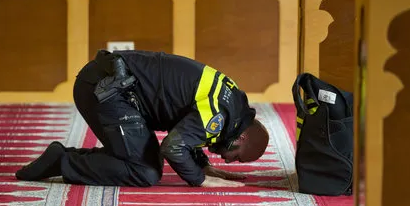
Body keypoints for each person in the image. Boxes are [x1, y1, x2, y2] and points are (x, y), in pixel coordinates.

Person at [15, 49, 269, 188]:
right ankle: (63, 161)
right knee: (143, 172)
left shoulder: (232, 102)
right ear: (243, 135)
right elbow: (173, 146)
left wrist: (202, 164)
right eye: (236, 156)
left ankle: (69, 159)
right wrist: (200, 179)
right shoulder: (220, 115)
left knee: (144, 162)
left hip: (117, 86)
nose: (227, 158)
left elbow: (187, 126)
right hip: (106, 91)